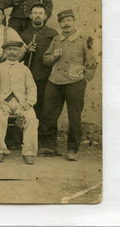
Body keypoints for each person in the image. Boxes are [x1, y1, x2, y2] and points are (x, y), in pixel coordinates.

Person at [39, 10, 98, 161]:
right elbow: (45, 59)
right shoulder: (56, 39)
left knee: (74, 117)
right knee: (48, 114)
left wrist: (84, 78)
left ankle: (72, 149)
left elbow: (91, 62)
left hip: (75, 82)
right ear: (60, 24)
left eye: (69, 20)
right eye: (63, 21)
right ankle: (49, 146)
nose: (66, 24)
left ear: (74, 22)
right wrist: (54, 56)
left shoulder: (84, 39)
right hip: (55, 81)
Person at [0, 41, 38, 165]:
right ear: (5, 52)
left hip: (21, 102)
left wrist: (30, 102)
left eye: (15, 50)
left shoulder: (24, 69)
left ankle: (28, 152)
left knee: (31, 118)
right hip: (3, 102)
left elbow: (32, 87)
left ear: (20, 52)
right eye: (9, 49)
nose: (12, 52)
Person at [19, 3, 58, 120]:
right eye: (35, 13)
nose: (38, 16)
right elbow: (17, 58)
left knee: (46, 107)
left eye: (41, 13)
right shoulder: (24, 35)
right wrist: (26, 51)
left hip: (47, 77)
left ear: (45, 16)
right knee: (30, 107)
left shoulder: (52, 34)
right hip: (29, 76)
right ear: (30, 16)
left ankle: (43, 136)